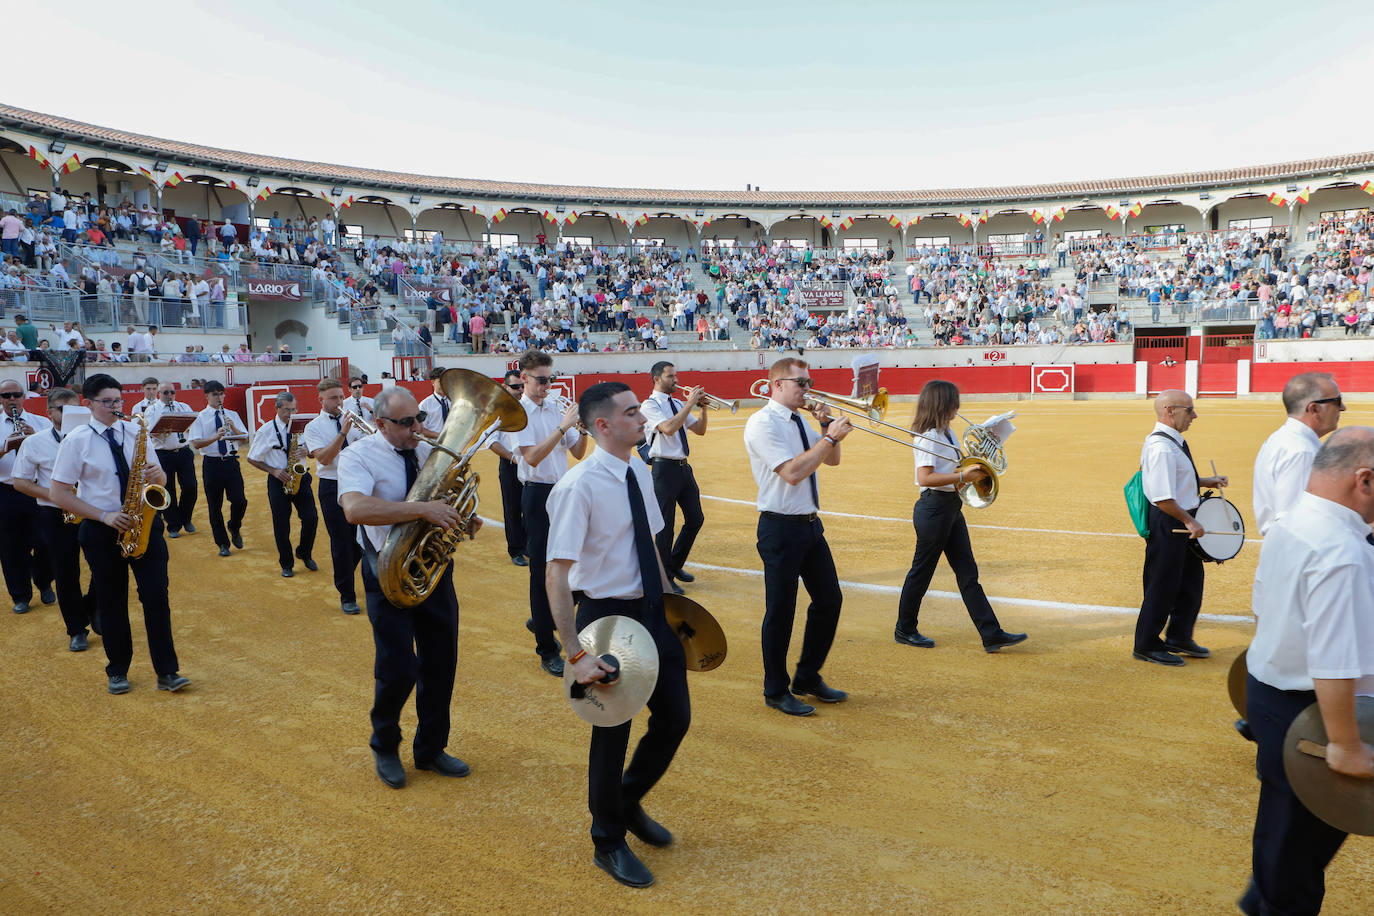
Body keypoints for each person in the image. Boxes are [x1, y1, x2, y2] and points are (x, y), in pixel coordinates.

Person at [546, 381, 689, 889]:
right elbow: (557, 575)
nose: (643, 418)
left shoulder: (638, 471)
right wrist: (575, 654)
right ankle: (607, 841)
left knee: (675, 719)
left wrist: (674, 606)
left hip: (651, 610)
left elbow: (650, 546)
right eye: (632, 413)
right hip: (604, 618)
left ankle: (626, 803)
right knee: (611, 733)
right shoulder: (576, 486)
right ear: (602, 425)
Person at [1236, 427, 1374, 916]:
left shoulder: (1294, 519)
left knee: (1284, 829)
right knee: (1300, 852)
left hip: (1273, 696)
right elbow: (1335, 663)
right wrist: (1347, 744)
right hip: (1317, 713)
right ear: (1365, 480)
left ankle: (1265, 897)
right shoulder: (1342, 552)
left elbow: (1263, 603)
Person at [338, 386, 472, 789]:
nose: (417, 427)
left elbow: (445, 496)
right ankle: (385, 744)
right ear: (380, 423)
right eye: (406, 422)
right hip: (387, 571)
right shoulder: (358, 455)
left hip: (432, 571)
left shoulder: (426, 452)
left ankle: (430, 749)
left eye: (419, 419)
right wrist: (422, 509)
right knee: (397, 669)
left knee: (441, 662)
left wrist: (459, 515)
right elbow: (355, 509)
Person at [49, 373, 188, 695]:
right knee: (112, 602)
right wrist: (104, 515)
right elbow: (58, 493)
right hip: (102, 530)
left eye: (118, 401)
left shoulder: (136, 431)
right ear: (89, 404)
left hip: (145, 525)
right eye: (107, 402)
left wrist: (160, 474)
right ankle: (117, 670)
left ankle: (167, 672)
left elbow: (159, 480)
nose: (115, 407)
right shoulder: (77, 439)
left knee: (156, 598)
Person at [742, 357, 852, 717]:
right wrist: (830, 436)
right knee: (781, 611)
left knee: (829, 600)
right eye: (800, 382)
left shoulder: (799, 421)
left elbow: (830, 462)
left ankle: (806, 676)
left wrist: (823, 427)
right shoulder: (761, 423)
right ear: (776, 385)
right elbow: (792, 472)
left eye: (809, 381)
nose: (808, 388)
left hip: (808, 525)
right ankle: (775, 689)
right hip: (779, 527)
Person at [893, 380, 1028, 652]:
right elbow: (925, 477)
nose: (958, 406)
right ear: (942, 404)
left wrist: (986, 446)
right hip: (934, 509)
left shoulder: (947, 432)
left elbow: (957, 463)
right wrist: (962, 476)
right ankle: (904, 629)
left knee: (968, 573)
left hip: (950, 507)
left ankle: (991, 633)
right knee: (922, 572)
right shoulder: (928, 435)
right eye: (954, 402)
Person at [1133, 389, 1229, 667]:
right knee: (1162, 584)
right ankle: (1146, 644)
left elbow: (1175, 479)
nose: (1195, 415)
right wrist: (1189, 520)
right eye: (1190, 410)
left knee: (1190, 582)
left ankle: (1179, 636)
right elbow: (1163, 496)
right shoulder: (1161, 447)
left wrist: (1204, 481)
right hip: (1170, 520)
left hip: (1179, 517)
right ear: (1170, 411)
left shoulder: (1170, 442)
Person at [515, 350, 588, 676]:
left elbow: (577, 451)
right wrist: (562, 427)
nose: (548, 385)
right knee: (542, 574)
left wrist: (581, 428)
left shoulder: (556, 405)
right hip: (537, 494)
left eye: (551, 379)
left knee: (573, 563)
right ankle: (546, 647)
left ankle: (541, 617)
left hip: (561, 493)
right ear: (525, 378)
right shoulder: (518, 412)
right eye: (542, 380)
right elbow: (531, 457)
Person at [9, 388, 95, 649]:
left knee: (104, 567)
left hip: (93, 510)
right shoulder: (34, 442)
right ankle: (76, 629)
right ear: (49, 413)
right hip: (55, 513)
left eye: (76, 409)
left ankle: (94, 608)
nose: (71, 414)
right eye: (63, 409)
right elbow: (20, 481)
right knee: (66, 572)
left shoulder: (93, 437)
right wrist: (55, 495)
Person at [639, 361, 707, 596]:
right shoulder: (649, 405)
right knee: (665, 526)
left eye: (676, 375)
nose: (676, 380)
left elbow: (699, 429)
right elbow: (668, 428)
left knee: (696, 519)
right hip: (663, 469)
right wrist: (690, 404)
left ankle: (674, 565)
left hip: (683, 468)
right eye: (670, 376)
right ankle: (664, 578)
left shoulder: (677, 403)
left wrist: (703, 408)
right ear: (657, 379)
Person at [1253, 372, 1345, 536]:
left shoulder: (1284, 439)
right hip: (1302, 555)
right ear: (1314, 408)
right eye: (1337, 401)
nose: (1343, 408)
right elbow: (1292, 522)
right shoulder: (1302, 452)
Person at [303, 378, 365, 614]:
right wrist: (343, 432)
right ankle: (347, 595)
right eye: (333, 398)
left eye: (341, 397)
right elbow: (324, 458)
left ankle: (344, 576)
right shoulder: (313, 427)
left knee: (361, 541)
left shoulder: (355, 420)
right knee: (341, 544)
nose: (339, 402)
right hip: (332, 485)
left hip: (359, 485)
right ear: (321, 400)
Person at [247, 392, 318, 578]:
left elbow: (312, 453)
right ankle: (286, 563)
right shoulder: (266, 430)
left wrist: (308, 450)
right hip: (278, 479)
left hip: (301, 478)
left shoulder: (304, 427)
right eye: (287, 410)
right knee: (281, 525)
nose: (291, 413)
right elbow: (252, 458)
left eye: (294, 409)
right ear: (277, 408)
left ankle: (304, 552)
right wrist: (273, 471)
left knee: (311, 518)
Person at [0, 379, 55, 614]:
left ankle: (44, 582)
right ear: (1, 399)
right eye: (6, 395)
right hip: (7, 491)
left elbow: (57, 456)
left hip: (36, 489)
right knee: (10, 546)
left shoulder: (42, 423)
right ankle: (20, 595)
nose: (12, 399)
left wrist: (35, 440)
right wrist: (5, 449)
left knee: (46, 541)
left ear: (24, 397)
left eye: (16, 395)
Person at [188, 380, 248, 558]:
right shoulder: (200, 417)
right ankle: (222, 543)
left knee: (240, 501)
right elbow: (196, 443)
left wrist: (234, 427)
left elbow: (244, 439)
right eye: (215, 394)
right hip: (212, 464)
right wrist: (216, 437)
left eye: (221, 394)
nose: (219, 397)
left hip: (231, 462)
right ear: (207, 396)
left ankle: (234, 526)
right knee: (215, 506)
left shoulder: (232, 414)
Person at [485, 370, 528, 566]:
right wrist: (512, 458)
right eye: (515, 387)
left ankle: (528, 546)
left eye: (522, 386)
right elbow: (491, 442)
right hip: (511, 464)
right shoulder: (497, 409)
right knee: (512, 508)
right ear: (505, 387)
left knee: (531, 507)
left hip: (530, 462)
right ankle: (516, 550)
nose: (520, 390)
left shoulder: (529, 406)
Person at [145, 382, 198, 538]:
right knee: (168, 489)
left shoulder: (183, 407)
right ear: (158, 394)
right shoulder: (152, 409)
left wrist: (188, 426)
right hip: (162, 454)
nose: (169, 395)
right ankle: (173, 525)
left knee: (190, 486)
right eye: (166, 392)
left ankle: (185, 518)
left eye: (172, 392)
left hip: (183, 451)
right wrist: (162, 429)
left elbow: (194, 425)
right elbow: (148, 431)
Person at [419, 367, 451, 436]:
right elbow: (420, 429)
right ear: (432, 382)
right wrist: (439, 436)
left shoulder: (453, 401)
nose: (443, 384)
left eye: (445, 381)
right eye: (440, 382)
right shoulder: (425, 405)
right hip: (433, 444)